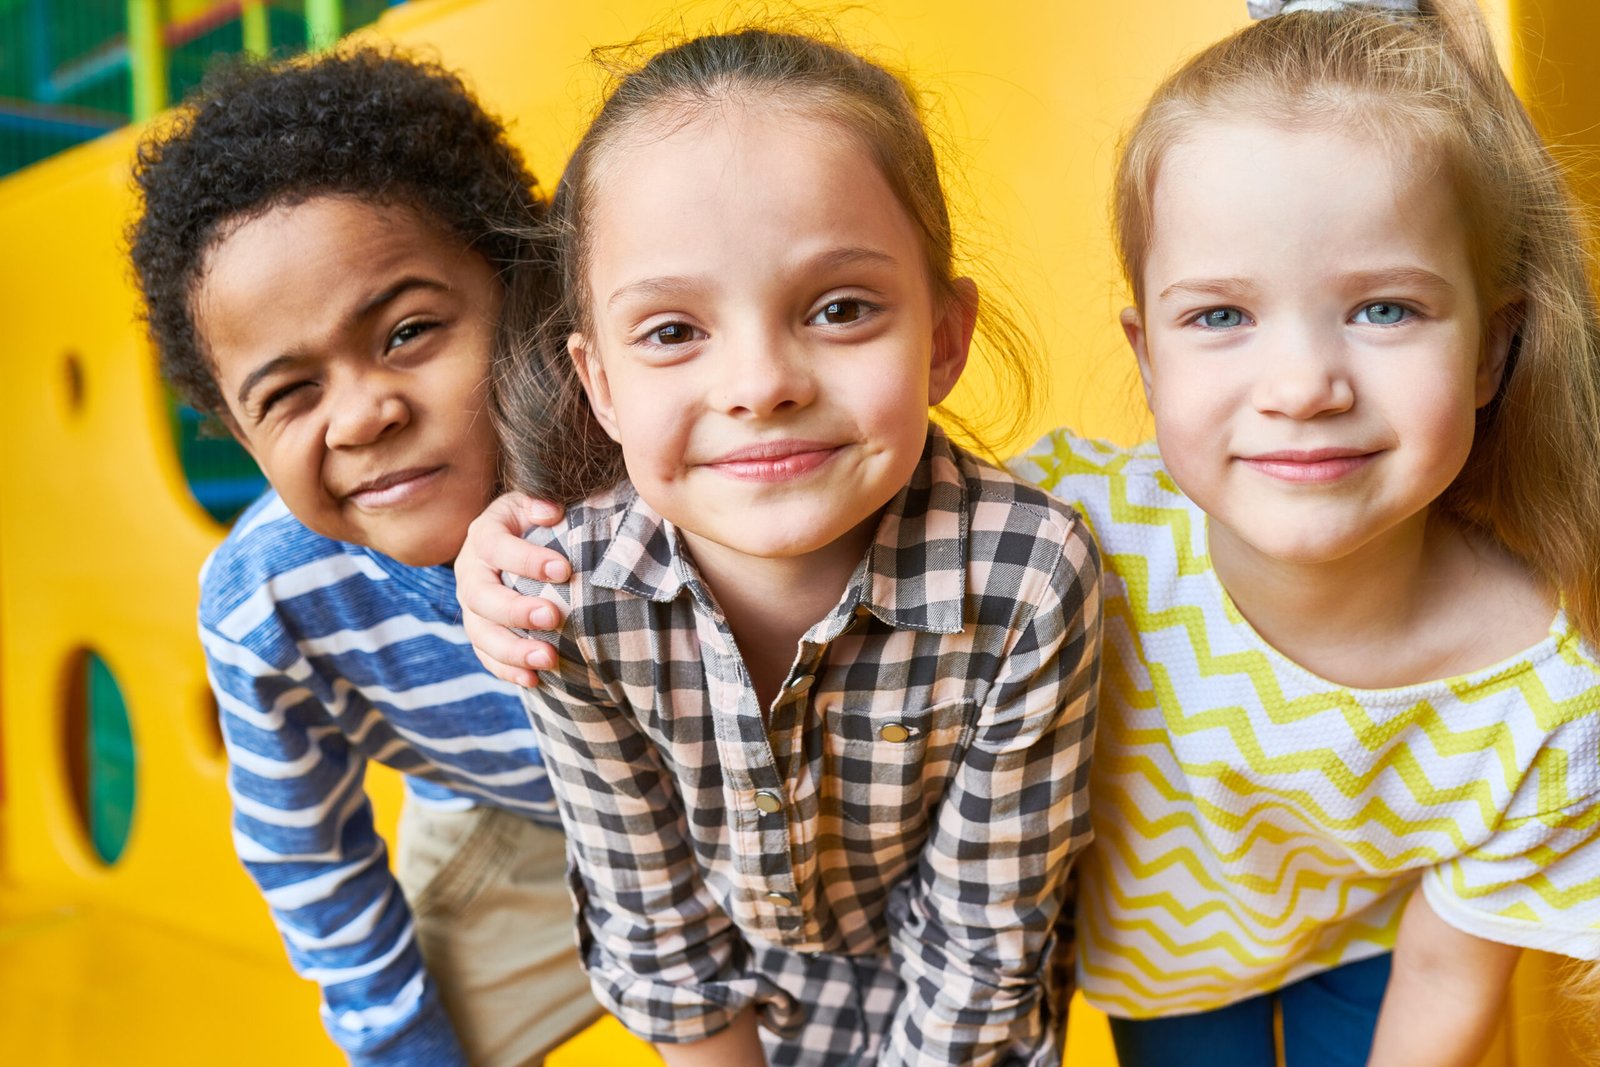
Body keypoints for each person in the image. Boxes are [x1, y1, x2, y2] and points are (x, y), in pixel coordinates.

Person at [463, 3, 1600, 1065]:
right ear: (1145, 350)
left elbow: (1446, 973)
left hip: (1358, 945)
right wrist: (480, 562)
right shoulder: (1088, 527)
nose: (1302, 385)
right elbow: (650, 917)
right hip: (1156, 974)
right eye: (1221, 315)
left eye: (1384, 307)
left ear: (1497, 345)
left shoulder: (1039, 556)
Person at [483, 27, 1102, 1067]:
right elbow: (653, 921)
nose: (760, 381)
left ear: (942, 340)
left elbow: (980, 945)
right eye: (674, 331)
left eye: (839, 308)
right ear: (599, 384)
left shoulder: (1028, 575)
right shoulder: (567, 596)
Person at [127, 49, 599, 1067]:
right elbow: (308, 849)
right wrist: (399, 1039)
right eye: (289, 394)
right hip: (515, 833)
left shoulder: (641, 463)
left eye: (409, 331)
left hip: (757, 807)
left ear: (524, 287)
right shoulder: (272, 598)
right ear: (239, 437)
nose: (364, 412)